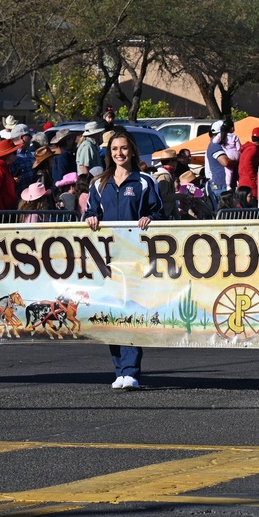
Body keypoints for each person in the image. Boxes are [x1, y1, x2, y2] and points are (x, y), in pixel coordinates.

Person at [84, 128, 164, 390]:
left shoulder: (145, 182)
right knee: (111, 313)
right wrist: (91, 219)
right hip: (106, 259)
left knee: (131, 311)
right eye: (114, 149)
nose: (119, 153)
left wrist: (151, 219)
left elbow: (159, 214)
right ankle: (119, 369)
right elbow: (89, 213)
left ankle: (131, 370)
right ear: (109, 152)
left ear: (132, 151)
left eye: (124, 148)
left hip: (135, 259)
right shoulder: (98, 183)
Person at [238, 126, 259, 198]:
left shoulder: (247, 148)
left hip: (244, 184)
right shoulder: (253, 149)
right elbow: (247, 166)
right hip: (250, 187)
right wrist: (255, 182)